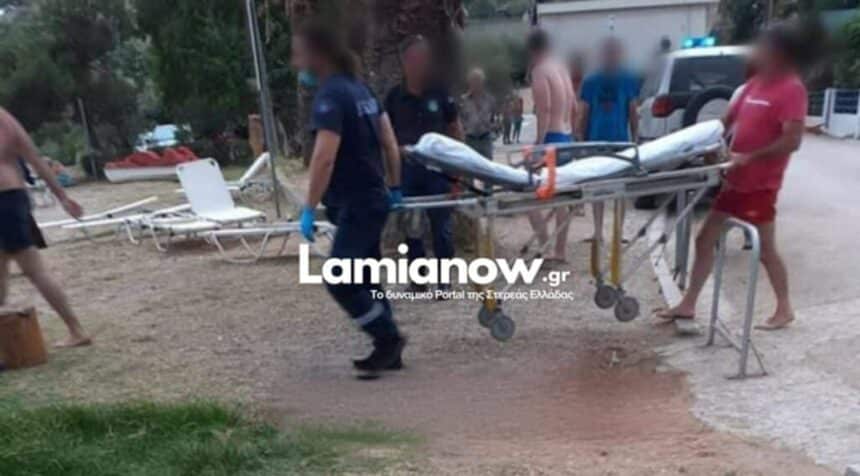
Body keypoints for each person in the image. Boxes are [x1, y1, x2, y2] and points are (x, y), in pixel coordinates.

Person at [657, 24, 808, 331]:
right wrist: (711, 147)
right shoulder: (754, 85)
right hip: (734, 180)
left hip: (760, 185)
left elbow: (792, 140)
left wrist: (750, 157)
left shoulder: (792, 89)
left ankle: (784, 308)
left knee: (765, 250)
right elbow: (726, 123)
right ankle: (689, 304)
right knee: (705, 239)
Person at [292, 21, 407, 372]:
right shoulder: (362, 90)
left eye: (299, 54)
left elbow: (323, 158)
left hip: (356, 203)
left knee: (339, 279)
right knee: (365, 277)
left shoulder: (331, 97)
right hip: (373, 197)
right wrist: (394, 187)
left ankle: (387, 338)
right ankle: (390, 349)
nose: (296, 63)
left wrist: (309, 208)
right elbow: (389, 143)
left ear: (318, 55)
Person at [0, 108, 91, 348]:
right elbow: (35, 160)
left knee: (34, 270)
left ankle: (76, 329)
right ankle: (75, 329)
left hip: (4, 201)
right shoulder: (6, 118)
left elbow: (34, 160)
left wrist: (63, 197)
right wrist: (62, 197)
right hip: (15, 198)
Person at [385, 35, 464, 294]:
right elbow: (386, 137)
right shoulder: (394, 98)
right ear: (406, 61)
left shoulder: (440, 92)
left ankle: (443, 282)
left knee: (441, 226)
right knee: (412, 227)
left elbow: (455, 129)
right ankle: (418, 281)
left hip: (437, 171)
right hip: (408, 170)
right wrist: (393, 170)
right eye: (418, 58)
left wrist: (458, 173)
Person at [579, 37, 640, 241]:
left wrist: (635, 140)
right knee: (598, 190)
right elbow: (584, 113)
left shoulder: (627, 79)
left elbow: (633, 111)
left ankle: (617, 232)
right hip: (597, 142)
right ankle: (598, 231)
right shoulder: (591, 81)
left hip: (619, 143)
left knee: (620, 189)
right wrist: (581, 141)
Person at [524, 29, 577, 263]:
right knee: (561, 197)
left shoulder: (540, 71)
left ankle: (545, 246)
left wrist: (539, 144)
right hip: (566, 136)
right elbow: (574, 106)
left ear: (532, 49)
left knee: (528, 196)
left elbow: (544, 110)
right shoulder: (561, 67)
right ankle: (560, 250)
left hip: (552, 138)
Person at [460, 67, 497, 159]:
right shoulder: (463, 100)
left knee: (487, 165)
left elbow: (493, 117)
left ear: (482, 82)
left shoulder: (489, 100)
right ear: (469, 83)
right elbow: (460, 119)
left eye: (478, 81)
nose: (476, 84)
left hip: (485, 138)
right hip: (470, 139)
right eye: (473, 81)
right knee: (470, 164)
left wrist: (492, 126)